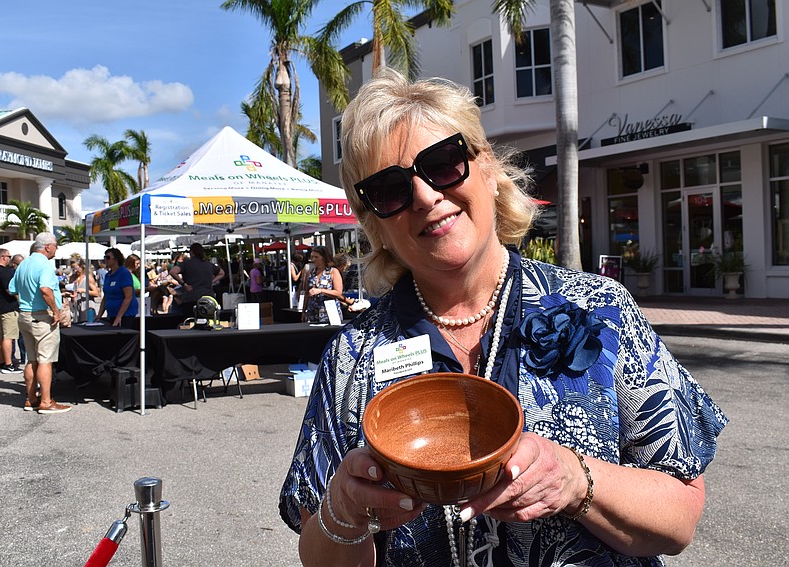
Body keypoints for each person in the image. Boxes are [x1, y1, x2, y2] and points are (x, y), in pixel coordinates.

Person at [279, 70, 727, 567]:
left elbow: (680, 516)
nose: (427, 197)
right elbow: (319, 554)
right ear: (375, 225)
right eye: (390, 190)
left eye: (443, 163)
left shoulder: (600, 311)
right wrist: (344, 511)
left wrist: (576, 480)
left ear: (488, 167)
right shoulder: (352, 355)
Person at [9, 232, 70, 414]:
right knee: (45, 360)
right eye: (55, 245)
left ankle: (31, 398)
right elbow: (45, 289)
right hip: (41, 316)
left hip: (25, 314)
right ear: (48, 246)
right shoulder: (44, 264)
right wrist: (55, 311)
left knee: (32, 359)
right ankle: (45, 401)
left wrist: (27, 301)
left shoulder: (24, 263)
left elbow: (12, 288)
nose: (56, 249)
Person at [0, 248, 23, 374]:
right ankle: (8, 364)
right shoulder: (4, 272)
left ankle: (1, 362)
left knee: (2, 336)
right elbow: (10, 290)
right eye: (9, 256)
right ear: (3, 257)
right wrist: (20, 300)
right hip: (8, 308)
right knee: (9, 337)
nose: (10, 259)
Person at [168, 243, 224, 316]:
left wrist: (183, 284)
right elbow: (222, 273)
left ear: (192, 252)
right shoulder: (208, 264)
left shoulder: (186, 263)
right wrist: (212, 281)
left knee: (189, 321)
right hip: (208, 298)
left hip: (190, 297)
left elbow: (172, 272)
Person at [95, 248, 138, 327]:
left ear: (116, 259)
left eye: (108, 257)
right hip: (111, 314)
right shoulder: (108, 275)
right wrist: (99, 315)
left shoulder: (124, 273)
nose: (105, 260)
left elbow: (128, 296)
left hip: (125, 316)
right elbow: (106, 296)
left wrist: (119, 317)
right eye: (104, 257)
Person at [301, 246, 344, 323]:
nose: (313, 259)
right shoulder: (311, 272)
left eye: (316, 257)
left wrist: (321, 291)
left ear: (324, 257)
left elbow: (338, 292)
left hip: (329, 312)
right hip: (313, 312)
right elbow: (307, 293)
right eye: (312, 257)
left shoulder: (333, 271)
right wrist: (304, 311)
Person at [10, 254, 27, 366]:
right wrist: (20, 301)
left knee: (22, 335)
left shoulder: (23, 272)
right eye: (19, 264)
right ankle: (12, 357)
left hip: (22, 308)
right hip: (14, 308)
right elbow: (11, 290)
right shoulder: (12, 274)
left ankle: (23, 356)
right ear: (14, 264)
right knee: (13, 335)